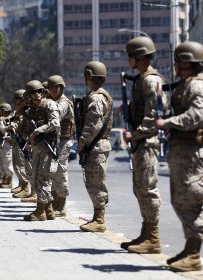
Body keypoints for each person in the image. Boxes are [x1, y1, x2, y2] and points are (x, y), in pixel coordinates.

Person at [155, 41, 203, 272]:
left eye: (177, 60)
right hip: (181, 150)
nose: (174, 65)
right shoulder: (186, 84)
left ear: (185, 62)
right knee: (180, 200)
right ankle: (190, 247)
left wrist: (168, 122)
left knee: (190, 199)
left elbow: (196, 116)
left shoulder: (198, 86)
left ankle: (194, 253)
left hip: (192, 151)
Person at [120, 36, 166, 254]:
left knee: (147, 189)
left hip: (146, 142)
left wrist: (135, 134)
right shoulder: (141, 79)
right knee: (140, 189)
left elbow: (153, 115)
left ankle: (153, 238)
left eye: (130, 55)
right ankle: (147, 232)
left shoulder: (151, 80)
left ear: (139, 57)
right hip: (141, 141)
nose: (128, 59)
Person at [76, 62, 113, 232]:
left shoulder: (97, 97)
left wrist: (82, 141)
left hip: (95, 145)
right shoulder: (96, 95)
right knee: (93, 181)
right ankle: (97, 217)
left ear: (88, 76)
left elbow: (93, 123)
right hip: (95, 145)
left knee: (96, 182)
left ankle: (99, 220)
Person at [23, 80, 60, 221]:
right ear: (30, 95)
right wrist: (29, 140)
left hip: (48, 146)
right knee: (36, 177)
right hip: (38, 146)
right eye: (33, 92)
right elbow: (30, 129)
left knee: (44, 178)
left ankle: (40, 211)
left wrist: (37, 131)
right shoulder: (32, 110)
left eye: (39, 91)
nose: (37, 94)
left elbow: (55, 124)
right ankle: (49, 209)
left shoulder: (50, 104)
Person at [48, 75, 74, 217]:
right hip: (53, 141)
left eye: (56, 87)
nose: (53, 90)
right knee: (51, 171)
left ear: (61, 88)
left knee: (60, 171)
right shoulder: (51, 101)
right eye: (51, 87)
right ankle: (53, 202)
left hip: (63, 141)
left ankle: (61, 205)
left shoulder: (64, 103)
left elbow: (56, 115)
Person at [0, 103, 14, 189]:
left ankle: (10, 182)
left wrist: (1, 122)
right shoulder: (2, 119)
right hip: (2, 143)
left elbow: (3, 130)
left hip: (7, 143)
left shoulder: (8, 119)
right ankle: (6, 180)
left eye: (2, 110)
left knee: (7, 164)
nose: (0, 112)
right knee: (4, 163)